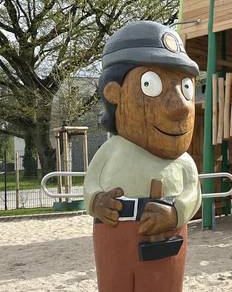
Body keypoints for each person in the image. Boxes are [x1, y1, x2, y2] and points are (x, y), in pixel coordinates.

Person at [83, 21, 201, 291]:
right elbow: (91, 183)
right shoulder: (111, 149)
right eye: (151, 84)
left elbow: (193, 192)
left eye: (186, 88)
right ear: (114, 93)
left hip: (164, 234)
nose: (180, 107)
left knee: (164, 283)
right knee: (115, 282)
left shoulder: (183, 162)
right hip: (114, 231)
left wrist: (175, 211)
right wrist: (97, 201)